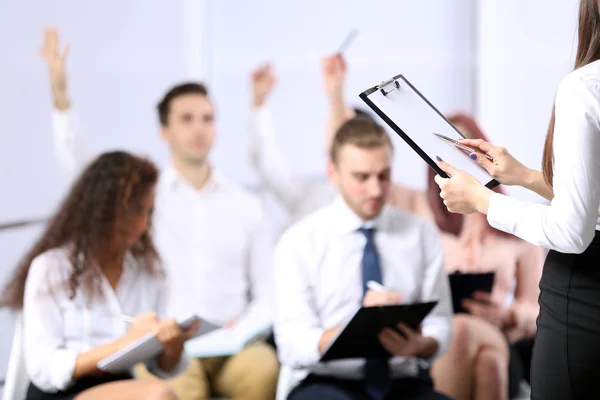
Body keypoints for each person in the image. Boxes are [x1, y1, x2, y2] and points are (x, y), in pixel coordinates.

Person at [39, 28, 279, 400]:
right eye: (186, 119)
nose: (199, 128)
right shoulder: (145, 201)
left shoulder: (246, 205)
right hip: (166, 344)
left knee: (264, 369)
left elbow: (268, 289)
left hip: (236, 342)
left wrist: (242, 330)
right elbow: (87, 176)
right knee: (172, 387)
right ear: (164, 131)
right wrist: (61, 99)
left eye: (207, 118)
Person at [432, 1, 600, 398]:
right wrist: (524, 176)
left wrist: (482, 201)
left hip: (587, 292)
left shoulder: (585, 87)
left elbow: (573, 233)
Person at [274, 117, 453, 400]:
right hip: (326, 382)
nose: (376, 190)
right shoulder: (300, 241)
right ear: (332, 172)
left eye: (384, 175)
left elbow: (440, 324)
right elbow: (292, 344)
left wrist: (418, 345)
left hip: (403, 382)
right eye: (362, 177)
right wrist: (357, 325)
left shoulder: (421, 234)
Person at [0, 151, 197, 400]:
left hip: (120, 385)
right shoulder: (52, 268)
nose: (143, 224)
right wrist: (125, 344)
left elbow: (161, 368)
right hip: (60, 393)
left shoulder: (147, 273)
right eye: (135, 210)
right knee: (157, 396)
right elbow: (45, 369)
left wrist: (171, 346)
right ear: (102, 209)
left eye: (148, 212)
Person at [426, 113, 544, 400]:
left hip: (499, 332)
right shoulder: (423, 216)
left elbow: (538, 309)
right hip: (438, 339)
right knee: (486, 361)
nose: (459, 161)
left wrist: (509, 314)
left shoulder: (515, 222)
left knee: (470, 335)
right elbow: (358, 173)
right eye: (448, 152)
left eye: (466, 150)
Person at [248, 54, 429, 231]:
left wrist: (336, 93)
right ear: (332, 170)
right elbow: (264, 159)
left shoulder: (395, 205)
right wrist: (259, 104)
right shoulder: (310, 197)